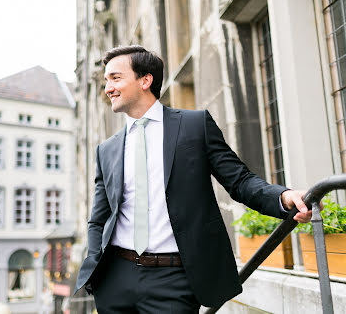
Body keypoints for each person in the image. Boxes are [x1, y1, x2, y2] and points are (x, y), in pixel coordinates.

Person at [75, 45, 312, 313]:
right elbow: (99, 218)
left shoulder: (194, 126)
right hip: (115, 280)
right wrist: (97, 272)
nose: (108, 88)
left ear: (145, 80)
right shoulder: (106, 150)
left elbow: (239, 181)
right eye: (107, 80)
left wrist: (283, 197)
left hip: (174, 279)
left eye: (115, 78)